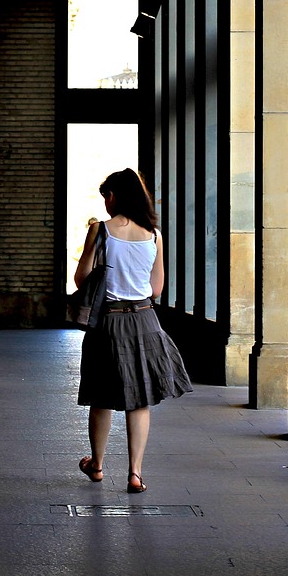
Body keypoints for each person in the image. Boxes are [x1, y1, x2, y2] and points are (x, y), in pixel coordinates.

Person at [75, 169, 191, 493]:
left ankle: (96, 466)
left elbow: (81, 279)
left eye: (106, 197)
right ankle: (135, 473)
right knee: (139, 400)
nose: (106, 204)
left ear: (114, 197)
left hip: (108, 322)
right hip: (144, 319)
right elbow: (156, 288)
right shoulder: (154, 235)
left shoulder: (100, 231)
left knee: (101, 397)